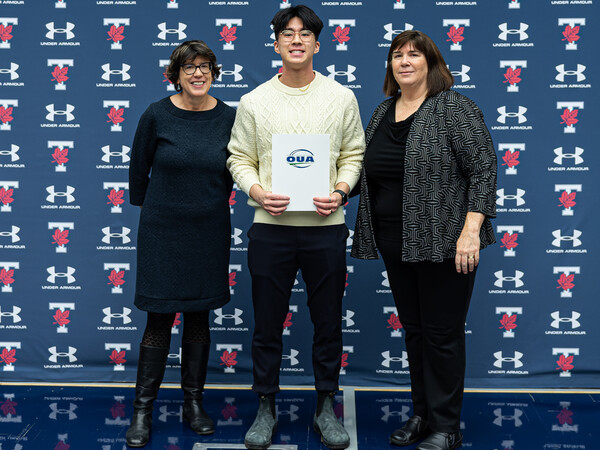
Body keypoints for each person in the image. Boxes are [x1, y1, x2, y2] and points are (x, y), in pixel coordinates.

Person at [227, 5, 365, 450]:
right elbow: (238, 158)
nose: (296, 40)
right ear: (276, 44)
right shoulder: (254, 101)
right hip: (271, 228)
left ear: (317, 44)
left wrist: (342, 190)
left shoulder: (341, 97)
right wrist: (257, 191)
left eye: (305, 34)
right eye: (288, 33)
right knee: (267, 324)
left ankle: (326, 404)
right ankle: (265, 405)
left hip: (327, 228)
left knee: (327, 323)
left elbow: (354, 155)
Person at [351, 30, 497, 450]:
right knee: (414, 331)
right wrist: (336, 191)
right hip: (395, 241)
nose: (404, 62)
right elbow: (369, 172)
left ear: (432, 63)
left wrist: (470, 232)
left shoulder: (455, 108)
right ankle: (423, 414)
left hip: (445, 242)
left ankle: (446, 426)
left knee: (441, 334)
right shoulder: (383, 112)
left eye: (414, 55)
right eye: (397, 56)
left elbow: (484, 172)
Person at [126, 40, 235, 448]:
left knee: (199, 317)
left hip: (208, 229)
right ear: (176, 73)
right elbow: (139, 171)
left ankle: (193, 404)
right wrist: (160, 209)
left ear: (214, 71)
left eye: (205, 66)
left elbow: (233, 168)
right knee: (158, 318)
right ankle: (143, 410)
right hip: (162, 230)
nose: (198, 73)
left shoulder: (229, 117)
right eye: (189, 67)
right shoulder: (156, 114)